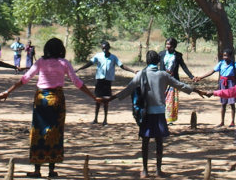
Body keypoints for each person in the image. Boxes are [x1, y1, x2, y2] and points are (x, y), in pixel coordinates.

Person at [1, 38, 100, 178]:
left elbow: (25, 78)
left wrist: (8, 91)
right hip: (57, 100)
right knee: (55, 132)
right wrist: (94, 97)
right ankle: (52, 169)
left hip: (41, 100)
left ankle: (37, 169)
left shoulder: (41, 62)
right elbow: (77, 82)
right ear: (60, 50)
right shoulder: (64, 63)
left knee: (38, 133)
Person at [104, 50, 204, 178]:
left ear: (146, 61)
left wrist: (110, 99)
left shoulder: (141, 74)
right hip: (160, 112)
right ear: (158, 61)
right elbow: (180, 85)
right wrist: (197, 90)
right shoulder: (163, 74)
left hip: (146, 113)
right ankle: (158, 170)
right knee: (159, 141)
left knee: (145, 142)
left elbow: (128, 90)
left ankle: (145, 171)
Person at [75, 41, 137, 126]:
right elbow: (89, 63)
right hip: (99, 80)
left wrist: (133, 71)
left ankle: (105, 119)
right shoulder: (98, 56)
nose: (104, 49)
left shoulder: (113, 57)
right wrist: (79, 69)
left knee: (106, 100)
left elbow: (122, 66)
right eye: (103, 48)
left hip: (107, 81)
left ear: (109, 48)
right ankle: (96, 118)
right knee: (97, 99)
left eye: (106, 48)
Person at [159, 38, 197, 125]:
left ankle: (169, 120)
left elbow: (184, 67)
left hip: (173, 80)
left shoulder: (178, 55)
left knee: (171, 100)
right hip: (162, 80)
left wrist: (192, 77)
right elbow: (153, 63)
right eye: (166, 44)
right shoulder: (161, 54)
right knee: (161, 99)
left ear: (173, 46)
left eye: (169, 44)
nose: (167, 46)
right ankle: (161, 118)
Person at [195, 49, 236, 127]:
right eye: (224, 55)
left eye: (227, 55)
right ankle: (222, 122)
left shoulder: (234, 64)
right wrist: (200, 77)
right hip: (223, 83)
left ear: (230, 56)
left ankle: (232, 122)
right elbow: (211, 72)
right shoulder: (221, 64)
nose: (225, 57)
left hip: (231, 83)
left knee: (232, 103)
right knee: (223, 103)